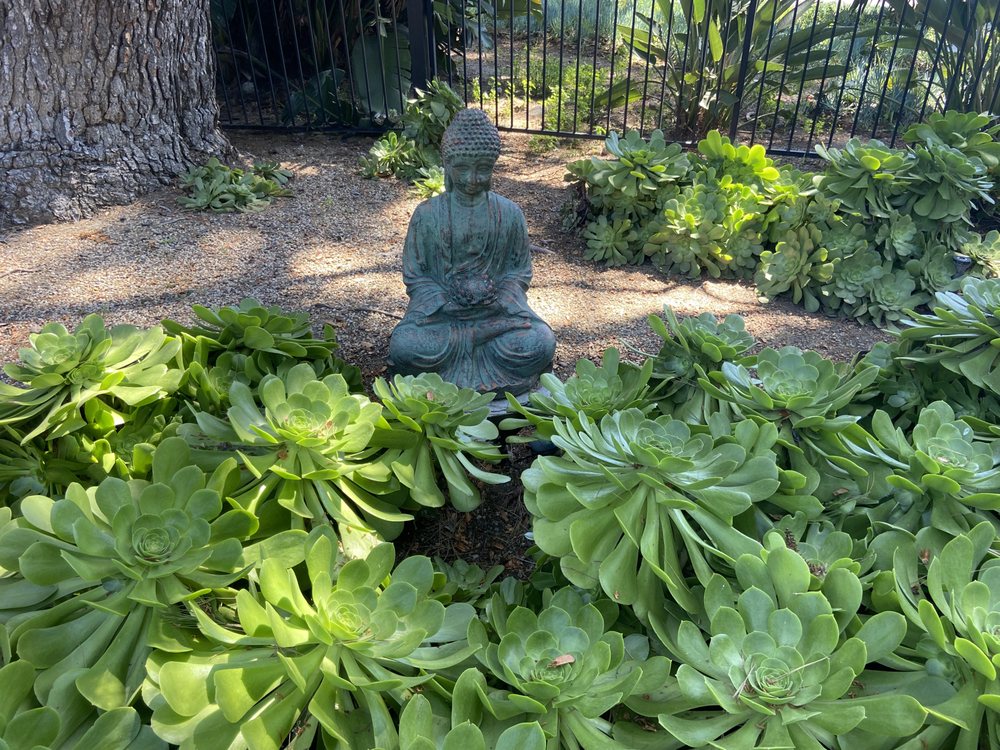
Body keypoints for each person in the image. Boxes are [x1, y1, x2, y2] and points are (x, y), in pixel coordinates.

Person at [388, 109, 556, 396]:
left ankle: (478, 340)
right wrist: (444, 303)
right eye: (462, 168)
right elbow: (416, 275)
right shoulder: (427, 214)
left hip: (497, 313)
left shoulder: (509, 213)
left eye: (483, 168)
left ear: (493, 165)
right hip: (443, 317)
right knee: (404, 345)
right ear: (447, 164)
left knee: (540, 342)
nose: (473, 178)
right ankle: (476, 339)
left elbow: (518, 272)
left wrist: (501, 298)